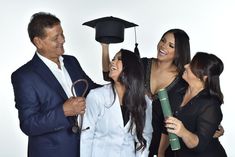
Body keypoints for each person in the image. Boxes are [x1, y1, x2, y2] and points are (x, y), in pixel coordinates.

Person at [101, 29, 224, 157]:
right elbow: (111, 75)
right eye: (163, 41)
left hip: (163, 143)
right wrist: (105, 46)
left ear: (179, 52)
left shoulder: (182, 80)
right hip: (135, 134)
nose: (163, 46)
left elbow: (197, 107)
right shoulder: (142, 65)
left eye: (171, 45)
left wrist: (213, 128)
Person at [11, 12, 101, 157]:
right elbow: (28, 124)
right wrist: (64, 111)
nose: (62, 40)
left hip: (84, 149)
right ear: (38, 42)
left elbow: (91, 89)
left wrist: (121, 85)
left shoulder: (71, 62)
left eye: (62, 34)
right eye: (55, 38)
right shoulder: (24, 76)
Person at [80, 49, 153, 157]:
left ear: (130, 67)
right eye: (113, 59)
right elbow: (86, 136)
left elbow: (144, 138)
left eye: (119, 59)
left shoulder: (144, 101)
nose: (113, 62)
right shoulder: (96, 96)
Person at [163, 52, 227, 157]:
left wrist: (183, 132)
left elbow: (199, 146)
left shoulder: (210, 105)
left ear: (203, 77)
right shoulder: (178, 89)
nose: (186, 66)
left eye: (192, 65)